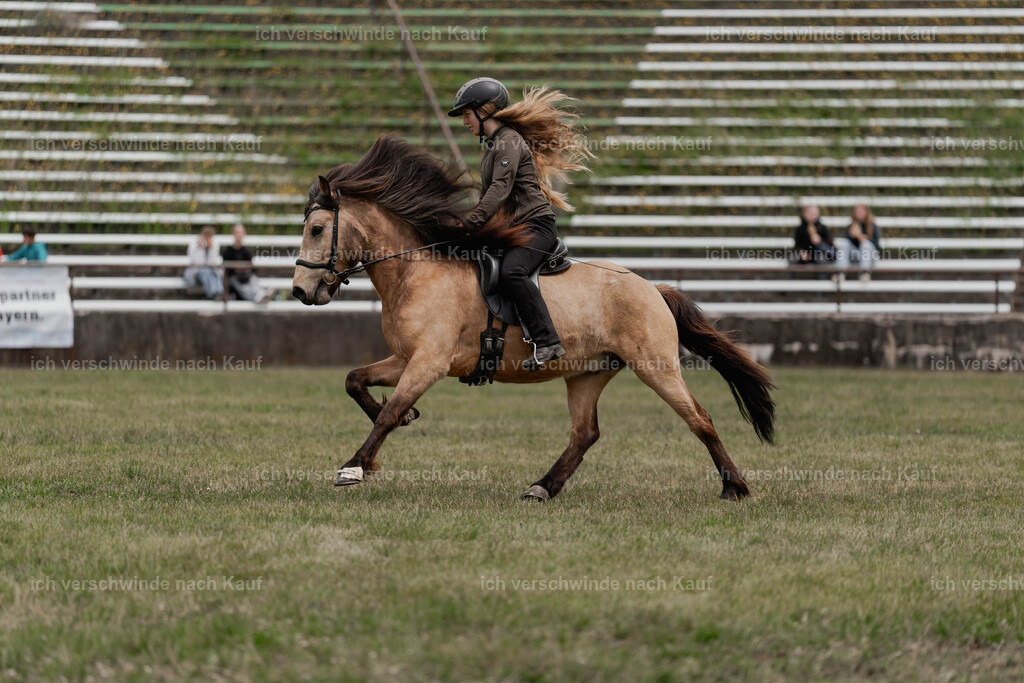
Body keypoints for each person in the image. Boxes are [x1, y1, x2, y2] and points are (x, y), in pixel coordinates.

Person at [448, 77, 593, 370]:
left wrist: (470, 223)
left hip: (536, 228)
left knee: (513, 272)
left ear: (484, 110)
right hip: (515, 228)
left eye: (466, 114)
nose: (464, 121)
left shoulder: (508, 142)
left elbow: (498, 191)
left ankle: (547, 341)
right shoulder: (494, 146)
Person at [221, 223, 271, 303]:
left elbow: (253, 269)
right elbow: (226, 270)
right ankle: (256, 297)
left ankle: (260, 294)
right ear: (233, 234)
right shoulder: (227, 252)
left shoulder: (246, 252)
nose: (239, 235)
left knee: (252, 279)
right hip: (233, 280)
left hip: (245, 277)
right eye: (237, 232)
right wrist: (237, 269)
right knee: (237, 282)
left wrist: (246, 269)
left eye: (241, 232)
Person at [841, 203, 882, 281]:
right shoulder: (850, 227)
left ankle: (865, 273)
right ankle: (840, 273)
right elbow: (848, 246)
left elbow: (876, 246)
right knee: (844, 243)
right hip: (855, 256)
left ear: (866, 213)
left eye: (861, 211)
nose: (859, 214)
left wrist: (865, 239)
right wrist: (853, 236)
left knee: (865, 244)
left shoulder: (872, 226)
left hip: (870, 256)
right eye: (857, 212)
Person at [184, 225, 223, 299]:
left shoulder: (214, 244)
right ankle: (213, 293)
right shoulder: (193, 244)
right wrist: (199, 248)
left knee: (216, 272)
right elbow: (198, 263)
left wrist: (211, 249)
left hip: (209, 272)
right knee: (206, 271)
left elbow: (212, 263)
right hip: (195, 273)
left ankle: (219, 292)